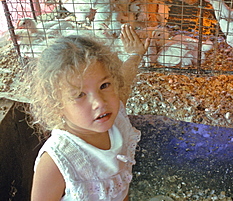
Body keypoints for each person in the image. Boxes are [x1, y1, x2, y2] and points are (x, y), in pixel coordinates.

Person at [23, 24, 150, 201]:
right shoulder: (57, 162)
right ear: (55, 105)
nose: (99, 102)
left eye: (104, 86)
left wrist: (135, 55)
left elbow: (125, 78)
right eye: (79, 95)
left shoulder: (116, 114)